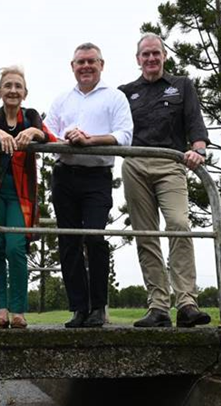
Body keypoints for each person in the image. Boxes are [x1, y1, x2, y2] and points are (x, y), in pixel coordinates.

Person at [118, 33, 211, 328]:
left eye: (156, 53)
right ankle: (158, 306)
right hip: (135, 165)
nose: (151, 58)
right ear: (137, 59)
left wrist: (198, 149)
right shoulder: (125, 92)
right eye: (145, 54)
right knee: (145, 234)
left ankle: (186, 303)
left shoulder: (181, 85)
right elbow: (112, 125)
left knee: (179, 225)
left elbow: (195, 122)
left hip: (171, 163)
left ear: (164, 56)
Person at [45, 43, 133, 328]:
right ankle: (78, 308)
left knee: (94, 237)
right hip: (64, 175)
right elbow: (49, 134)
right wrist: (67, 136)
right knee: (68, 242)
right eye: (80, 62)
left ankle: (98, 307)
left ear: (101, 64)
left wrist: (90, 140)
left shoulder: (115, 98)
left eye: (91, 61)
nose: (85, 66)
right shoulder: (61, 100)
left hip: (96, 176)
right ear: (72, 66)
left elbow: (124, 135)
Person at [0, 66, 57, 329]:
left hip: (21, 195)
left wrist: (34, 133)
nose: (13, 90)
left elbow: (50, 137)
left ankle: (18, 309)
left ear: (25, 93)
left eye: (18, 86)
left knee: (16, 247)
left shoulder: (30, 117)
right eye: (8, 85)